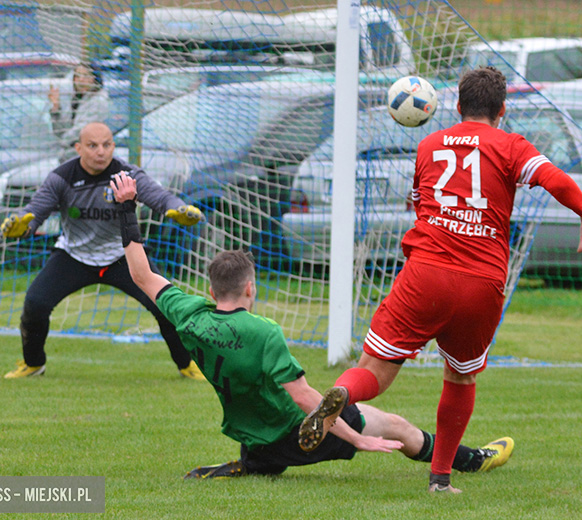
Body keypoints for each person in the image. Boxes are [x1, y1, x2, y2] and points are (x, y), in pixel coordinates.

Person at [298, 66, 582, 493]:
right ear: (502, 111)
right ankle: (440, 479)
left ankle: (342, 396)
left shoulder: (428, 144)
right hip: (481, 281)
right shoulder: (510, 144)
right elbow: (553, 177)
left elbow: (420, 205)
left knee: (375, 369)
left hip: (426, 273)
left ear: (457, 107)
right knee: (460, 377)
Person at [107, 171, 515, 479]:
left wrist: (126, 208)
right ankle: (473, 460)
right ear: (250, 287)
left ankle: (251, 464)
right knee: (397, 427)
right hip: (297, 430)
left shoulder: (189, 314)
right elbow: (307, 400)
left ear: (212, 289)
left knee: (266, 445)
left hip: (253, 433)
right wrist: (358, 439)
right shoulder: (261, 331)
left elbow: (142, 275)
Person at [1, 122, 205, 380]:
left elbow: (161, 198)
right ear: (78, 148)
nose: (101, 151)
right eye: (93, 145)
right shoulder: (62, 177)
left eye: (107, 145)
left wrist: (177, 209)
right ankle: (33, 364)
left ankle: (187, 364)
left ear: (113, 146)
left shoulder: (127, 174)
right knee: (35, 304)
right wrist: (22, 225)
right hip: (74, 256)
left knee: (165, 306)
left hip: (123, 257)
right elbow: (35, 212)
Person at [49, 62, 110, 154]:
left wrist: (63, 141)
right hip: (70, 156)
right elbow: (60, 132)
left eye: (85, 76)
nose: (81, 80)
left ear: (94, 79)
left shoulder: (98, 102)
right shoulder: (76, 100)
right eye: (77, 76)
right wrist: (56, 107)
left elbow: (82, 131)